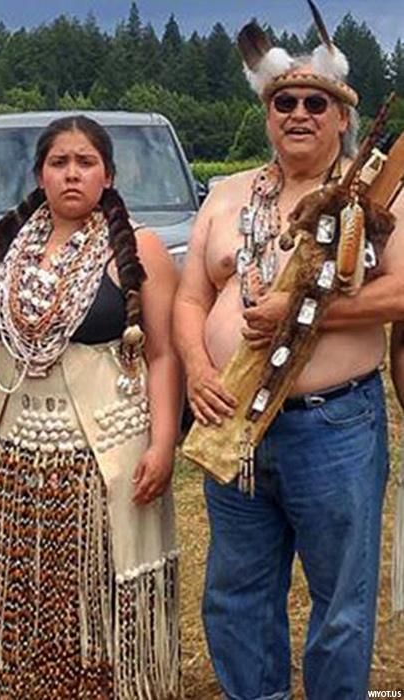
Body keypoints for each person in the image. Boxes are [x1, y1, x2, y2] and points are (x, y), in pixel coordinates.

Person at [172, 16, 404, 697]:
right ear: (266, 112)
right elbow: (188, 302)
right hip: (232, 421)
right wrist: (195, 368)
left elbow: (401, 290)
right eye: (283, 102)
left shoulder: (375, 197)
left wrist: (308, 308)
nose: (298, 114)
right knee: (235, 593)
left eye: (315, 103)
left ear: (340, 117)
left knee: (339, 602)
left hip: (333, 428)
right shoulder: (225, 194)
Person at [0, 115, 182, 699]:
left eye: (85, 162)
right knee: (24, 585)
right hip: (19, 449)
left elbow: (162, 354)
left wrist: (161, 443)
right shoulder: (7, 250)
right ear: (40, 175)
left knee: (98, 588)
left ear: (108, 175)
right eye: (60, 163)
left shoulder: (142, 250)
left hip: (104, 449)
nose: (72, 174)